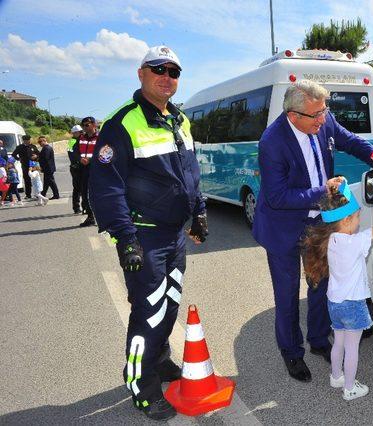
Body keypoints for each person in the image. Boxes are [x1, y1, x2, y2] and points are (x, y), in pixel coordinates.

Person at [252, 79, 373, 383]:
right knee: (287, 294)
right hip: (282, 227)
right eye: (317, 115)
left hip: (319, 221)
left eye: (325, 111)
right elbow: (278, 197)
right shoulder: (272, 141)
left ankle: (319, 339)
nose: (324, 119)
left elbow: (350, 140)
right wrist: (324, 190)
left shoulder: (322, 117)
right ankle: (292, 352)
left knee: (321, 284)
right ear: (294, 116)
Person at [89, 45, 207, 421]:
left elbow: (190, 172)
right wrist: (126, 239)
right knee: (149, 312)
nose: (166, 77)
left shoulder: (179, 119)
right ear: (141, 74)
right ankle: (141, 386)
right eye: (158, 69)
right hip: (144, 237)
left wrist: (199, 212)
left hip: (174, 234)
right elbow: (105, 188)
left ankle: (159, 359)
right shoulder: (121, 123)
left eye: (174, 71)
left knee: (169, 302)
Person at [302, 181, 373, 400]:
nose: (359, 222)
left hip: (334, 303)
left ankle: (336, 376)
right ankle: (349, 388)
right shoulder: (354, 242)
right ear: (346, 220)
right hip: (353, 304)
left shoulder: (329, 240)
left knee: (338, 342)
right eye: (357, 217)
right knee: (352, 348)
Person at [78, 117, 98, 225]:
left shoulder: (101, 137)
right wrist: (79, 159)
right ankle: (91, 217)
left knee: (98, 195)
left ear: (94, 125)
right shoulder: (81, 138)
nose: (85, 127)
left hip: (97, 170)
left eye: (87, 125)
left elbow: (106, 153)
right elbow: (75, 151)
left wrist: (90, 160)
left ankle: (103, 217)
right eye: (83, 125)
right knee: (84, 195)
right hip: (84, 169)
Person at [11, 134, 39, 199]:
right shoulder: (19, 147)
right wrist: (19, 159)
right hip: (25, 165)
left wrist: (36, 156)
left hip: (33, 165)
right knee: (27, 180)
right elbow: (14, 154)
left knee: (35, 180)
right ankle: (28, 195)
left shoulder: (33, 146)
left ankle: (37, 194)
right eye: (27, 140)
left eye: (29, 140)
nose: (29, 141)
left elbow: (38, 153)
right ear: (24, 141)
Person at [36, 135, 60, 199]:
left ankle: (56, 195)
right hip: (47, 168)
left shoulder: (47, 148)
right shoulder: (46, 148)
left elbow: (45, 158)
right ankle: (43, 194)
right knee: (47, 182)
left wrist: (38, 158)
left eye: (40, 141)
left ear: (44, 141)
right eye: (39, 142)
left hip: (48, 168)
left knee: (51, 182)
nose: (40, 143)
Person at [68, 124, 83, 213]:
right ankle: (76, 207)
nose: (81, 133)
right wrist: (78, 162)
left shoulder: (81, 139)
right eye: (79, 132)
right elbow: (72, 154)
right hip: (76, 167)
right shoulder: (72, 141)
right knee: (77, 188)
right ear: (74, 133)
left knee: (82, 188)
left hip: (80, 166)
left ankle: (83, 206)